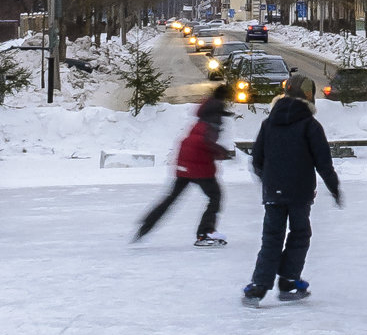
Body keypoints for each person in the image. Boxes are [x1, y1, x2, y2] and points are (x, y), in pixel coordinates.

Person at [243, 76, 341, 307]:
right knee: (299, 234)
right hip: (300, 193)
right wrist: (334, 188)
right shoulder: (310, 125)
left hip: (273, 193)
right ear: (309, 96)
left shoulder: (269, 123)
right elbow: (323, 163)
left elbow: (257, 160)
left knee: (271, 239)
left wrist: (269, 182)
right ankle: (288, 280)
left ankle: (258, 287)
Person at [134, 84, 234, 246]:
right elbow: (206, 141)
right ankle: (204, 234)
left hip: (185, 160)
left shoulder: (206, 110)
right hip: (198, 165)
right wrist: (221, 152)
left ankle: (146, 224)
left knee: (171, 198)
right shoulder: (215, 114)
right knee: (215, 197)